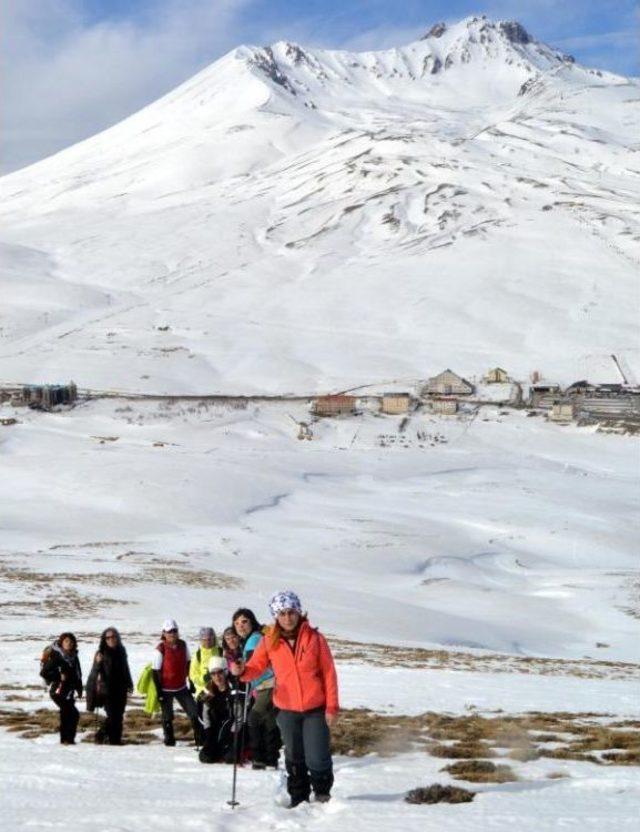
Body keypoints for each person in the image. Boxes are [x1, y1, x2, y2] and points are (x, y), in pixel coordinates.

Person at [232, 592, 339, 806]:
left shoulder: (315, 639)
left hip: (315, 708)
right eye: (282, 613)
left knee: (317, 756)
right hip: (287, 708)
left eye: (291, 612)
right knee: (294, 755)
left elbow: (329, 673)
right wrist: (242, 671)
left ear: (299, 612)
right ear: (275, 616)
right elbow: (256, 667)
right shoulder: (269, 640)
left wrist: (332, 707)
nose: (287, 618)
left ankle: (322, 793)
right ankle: (298, 796)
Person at [232, 607, 281, 769]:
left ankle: (259, 758)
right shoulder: (251, 639)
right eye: (237, 623)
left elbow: (254, 665)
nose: (240, 625)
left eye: (244, 621)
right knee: (269, 721)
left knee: (254, 718)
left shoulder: (254, 639)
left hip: (267, 683)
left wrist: (242, 669)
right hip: (263, 685)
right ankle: (271, 758)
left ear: (252, 622)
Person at [152, 618, 203, 747]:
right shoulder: (160, 649)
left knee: (194, 712)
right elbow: (155, 671)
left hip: (181, 687)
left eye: (174, 631)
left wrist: (190, 682)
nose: (172, 634)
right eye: (169, 632)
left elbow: (188, 663)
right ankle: (169, 740)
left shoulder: (183, 645)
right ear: (164, 633)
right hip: (165, 689)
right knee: (167, 716)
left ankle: (200, 738)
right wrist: (159, 692)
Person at [88, 628, 133, 745]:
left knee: (119, 716)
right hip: (107, 690)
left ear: (117, 638)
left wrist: (129, 683)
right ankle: (113, 741)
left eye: (113, 636)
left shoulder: (121, 651)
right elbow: (94, 673)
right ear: (104, 640)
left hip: (121, 689)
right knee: (113, 716)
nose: (111, 639)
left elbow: (126, 669)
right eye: (108, 638)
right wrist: (98, 663)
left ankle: (105, 736)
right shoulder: (100, 653)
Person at [41, 632, 83, 745]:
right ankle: (67, 739)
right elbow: (44, 672)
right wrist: (58, 676)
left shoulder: (74, 656)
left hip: (69, 691)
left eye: (71, 641)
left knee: (69, 714)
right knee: (72, 714)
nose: (69, 643)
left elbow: (78, 674)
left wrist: (79, 688)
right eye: (66, 641)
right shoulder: (57, 656)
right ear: (61, 643)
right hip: (57, 691)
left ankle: (68, 740)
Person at [198, 656, 236, 764]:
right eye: (213, 674)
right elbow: (203, 714)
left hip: (232, 731)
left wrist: (233, 734)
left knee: (230, 757)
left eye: (219, 672)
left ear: (225, 672)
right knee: (205, 757)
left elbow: (239, 716)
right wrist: (208, 731)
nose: (217, 677)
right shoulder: (207, 691)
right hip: (214, 731)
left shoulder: (233, 689)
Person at [189, 627, 222, 718]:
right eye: (204, 639)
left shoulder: (221, 651)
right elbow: (193, 675)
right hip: (202, 691)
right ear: (201, 640)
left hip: (220, 689)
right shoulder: (197, 655)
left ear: (214, 638)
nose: (207, 642)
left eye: (210, 639)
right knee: (205, 718)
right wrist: (203, 678)